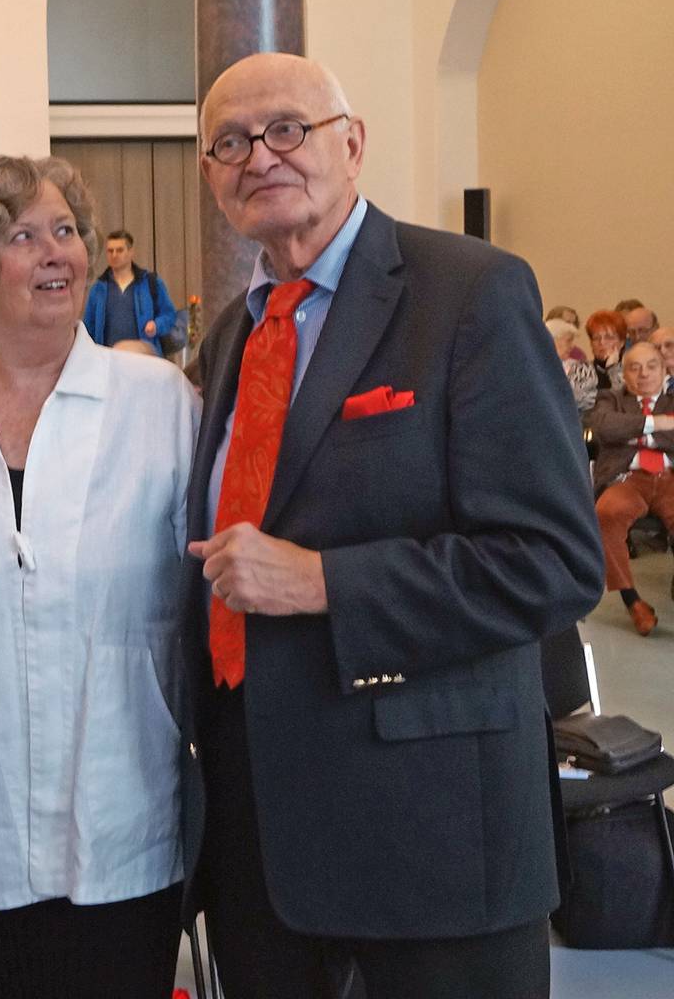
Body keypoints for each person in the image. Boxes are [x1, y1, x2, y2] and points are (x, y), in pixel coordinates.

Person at [184, 52, 601, 999]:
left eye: (288, 129)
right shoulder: (232, 337)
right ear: (211, 176)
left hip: (434, 834)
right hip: (263, 840)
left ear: (354, 144)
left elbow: (556, 560)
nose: (261, 156)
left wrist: (328, 582)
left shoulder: (469, 292)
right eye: (230, 143)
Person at [0, 155, 198, 998]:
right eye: (24, 235)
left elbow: (205, 606)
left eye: (67, 231)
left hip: (124, 813)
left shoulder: (159, 403)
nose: (57, 251)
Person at [588, 340, 674, 634]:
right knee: (607, 514)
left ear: (664, 371)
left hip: (669, 478)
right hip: (627, 478)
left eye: (652, 366)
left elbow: (620, 432)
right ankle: (632, 600)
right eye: (634, 368)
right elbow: (605, 428)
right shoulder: (610, 400)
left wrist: (637, 434)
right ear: (624, 374)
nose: (643, 374)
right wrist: (658, 424)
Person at [81, 229, 178, 356]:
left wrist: (156, 326)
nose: (114, 255)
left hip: (145, 358)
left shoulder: (150, 283)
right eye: (110, 251)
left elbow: (169, 315)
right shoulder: (98, 289)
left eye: (120, 250)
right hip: (109, 359)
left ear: (131, 252)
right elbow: (89, 328)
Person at [546, 317, 597, 415]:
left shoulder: (582, 369)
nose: (573, 346)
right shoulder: (535, 369)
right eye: (568, 340)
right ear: (551, 341)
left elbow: (586, 401)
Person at [586, 308, 627, 394]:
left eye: (609, 337)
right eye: (596, 338)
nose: (602, 342)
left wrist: (613, 369)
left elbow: (625, 399)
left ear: (622, 342)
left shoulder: (631, 370)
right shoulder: (583, 371)